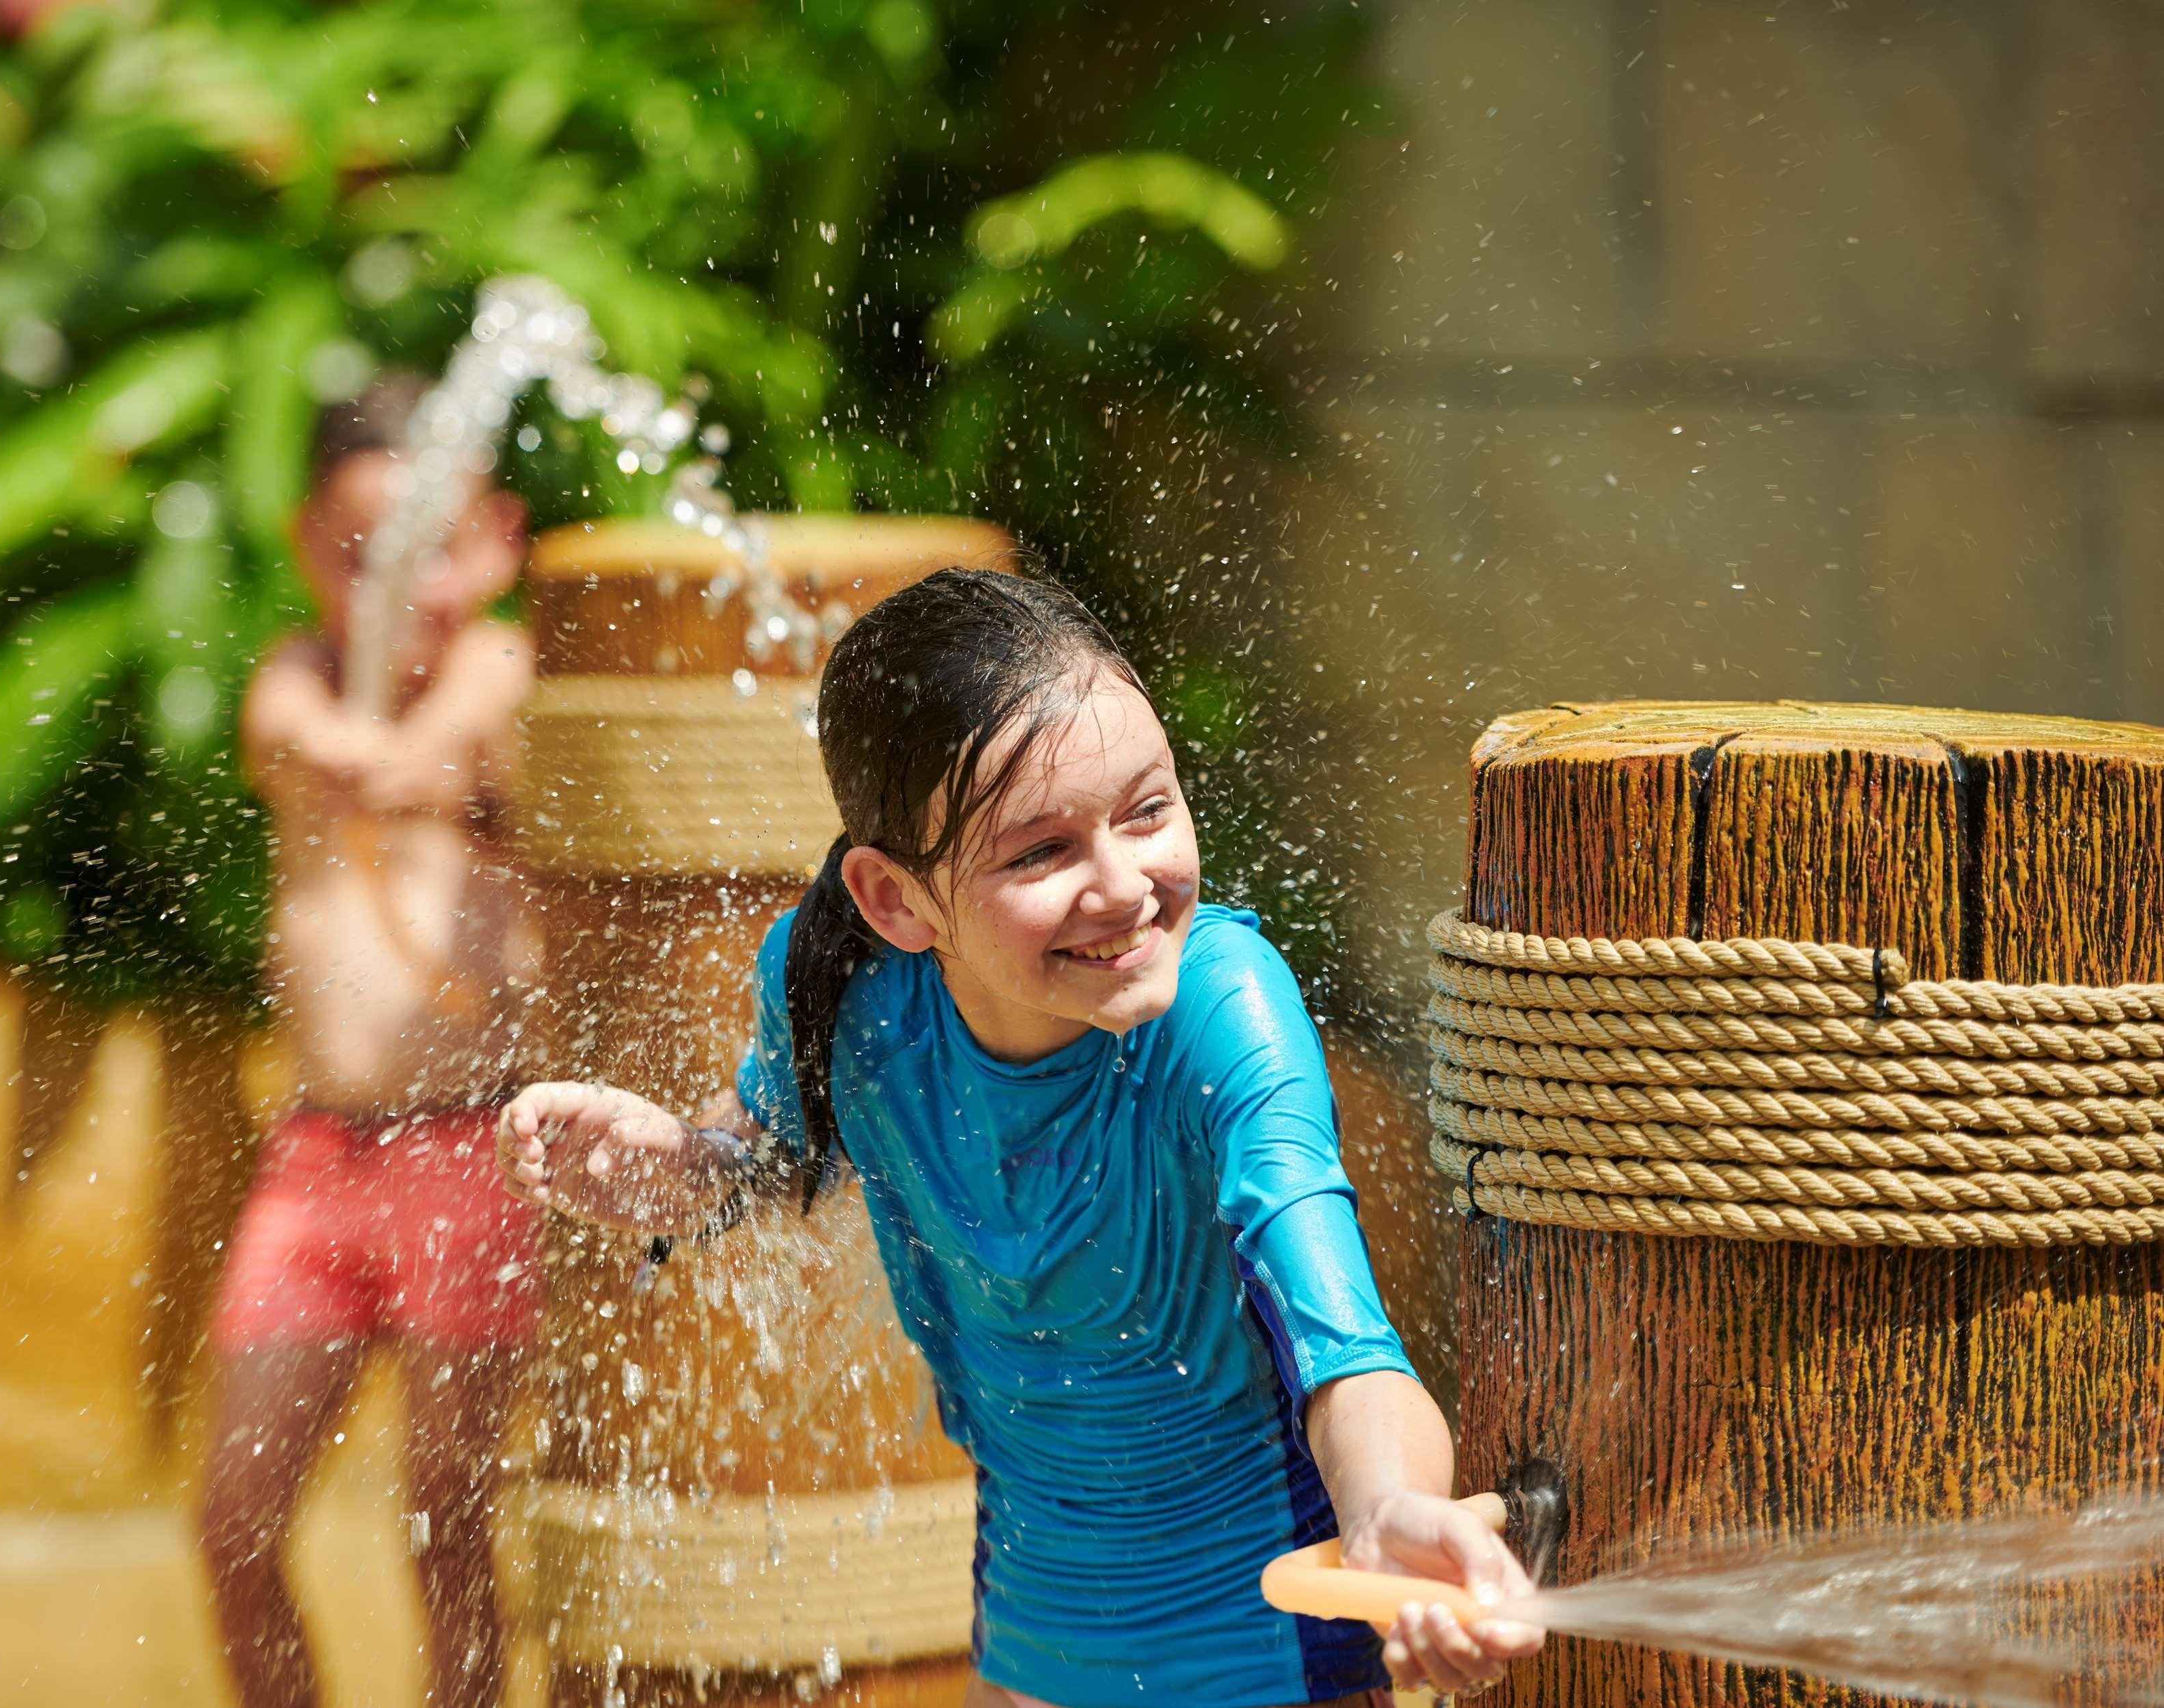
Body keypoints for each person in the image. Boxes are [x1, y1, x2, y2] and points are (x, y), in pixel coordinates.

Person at [495, 569, 1545, 1707]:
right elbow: (760, 1161)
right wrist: (679, 1171)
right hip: (1027, 1649)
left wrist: (1387, 1509)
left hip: (1274, 1661)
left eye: (1148, 811)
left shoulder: (1222, 1012)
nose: (1124, 886)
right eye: (1039, 853)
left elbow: (1343, 1341)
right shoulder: (846, 996)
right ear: (898, 901)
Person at [198, 382, 543, 1708]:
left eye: (439, 547)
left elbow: (464, 728)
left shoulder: (501, 668)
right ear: (304, 547)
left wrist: (443, 775)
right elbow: (304, 738)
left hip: (475, 1151)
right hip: (319, 1161)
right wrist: (376, 757)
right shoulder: (296, 676)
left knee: (445, 1519)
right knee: (234, 1521)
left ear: (499, 537)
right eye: (364, 555)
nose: (409, 585)